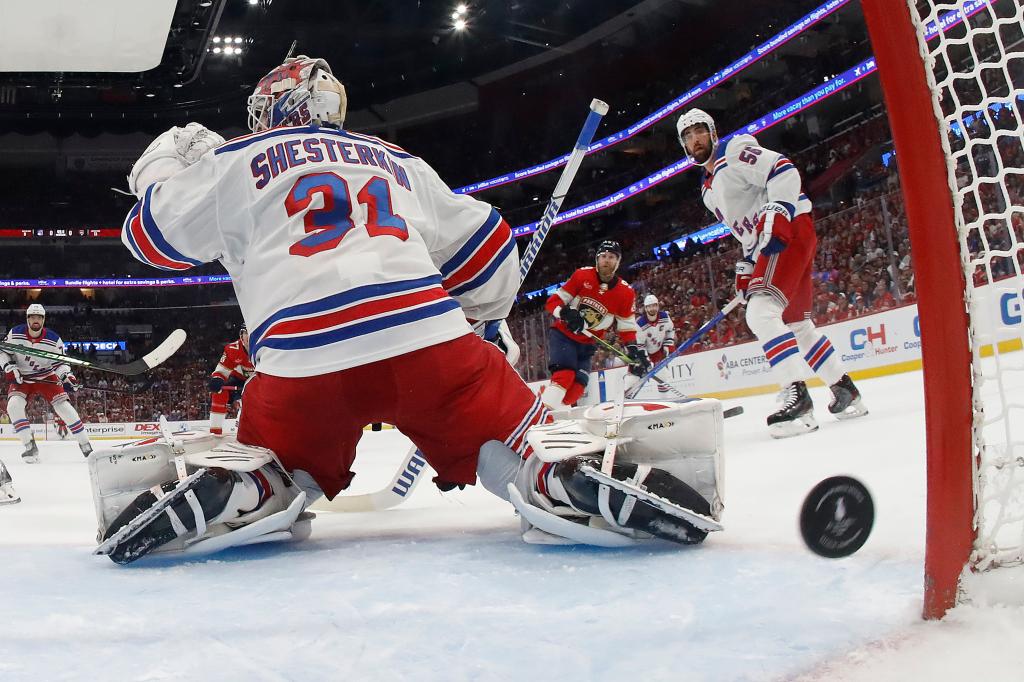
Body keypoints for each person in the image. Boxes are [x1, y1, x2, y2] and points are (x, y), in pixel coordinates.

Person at [99, 55, 716, 563]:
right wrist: (482, 314)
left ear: (268, 111)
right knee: (510, 438)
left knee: (283, 460)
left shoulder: (232, 164)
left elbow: (149, 239)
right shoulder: (399, 162)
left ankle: (256, 486)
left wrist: (166, 164)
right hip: (429, 338)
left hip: (300, 362)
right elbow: (492, 250)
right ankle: (549, 473)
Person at [676, 108, 868, 437]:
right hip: (775, 237)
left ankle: (798, 398)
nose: (695, 139)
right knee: (797, 324)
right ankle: (844, 389)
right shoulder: (707, 191)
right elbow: (747, 232)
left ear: (712, 132)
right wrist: (746, 266)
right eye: (687, 135)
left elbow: (783, 171)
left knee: (761, 313)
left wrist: (778, 213)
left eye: (699, 131)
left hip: (789, 228)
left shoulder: (733, 150)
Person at [541, 240, 648, 409]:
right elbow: (552, 302)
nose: (607, 260)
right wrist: (564, 313)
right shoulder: (582, 276)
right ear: (597, 259)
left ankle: (544, 403)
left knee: (574, 392)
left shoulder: (625, 293)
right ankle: (540, 416)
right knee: (564, 375)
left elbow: (626, 327)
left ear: (618, 262)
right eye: (603, 256)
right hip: (564, 336)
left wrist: (633, 348)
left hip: (587, 343)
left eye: (612, 257)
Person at [0, 304, 93, 460]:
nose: (36, 320)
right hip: (22, 377)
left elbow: (61, 363)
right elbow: (3, 352)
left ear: (43, 320)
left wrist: (66, 376)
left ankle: (86, 447)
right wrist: (8, 366)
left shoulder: (54, 339)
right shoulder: (15, 334)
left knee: (64, 408)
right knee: (13, 406)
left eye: (39, 317)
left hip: (46, 376)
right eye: (32, 317)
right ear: (27, 318)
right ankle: (30, 446)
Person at [208, 325, 254, 436]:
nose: (249, 336)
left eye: (252, 332)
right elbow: (221, 371)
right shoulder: (232, 349)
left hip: (259, 380)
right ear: (241, 336)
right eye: (246, 333)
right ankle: (215, 433)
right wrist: (217, 379)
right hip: (238, 379)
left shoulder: (267, 347)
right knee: (218, 392)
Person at [634, 293, 676, 394]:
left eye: (654, 305)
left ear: (657, 306)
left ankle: (665, 401)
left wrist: (667, 346)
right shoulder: (640, 324)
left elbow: (671, 330)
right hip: (642, 355)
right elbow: (640, 346)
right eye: (649, 306)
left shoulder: (665, 317)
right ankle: (627, 398)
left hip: (658, 352)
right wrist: (647, 362)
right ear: (645, 308)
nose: (652, 308)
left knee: (664, 377)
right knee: (634, 378)